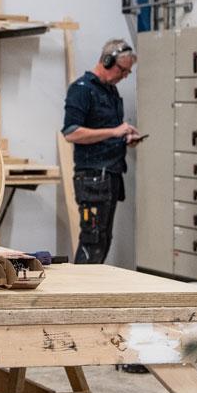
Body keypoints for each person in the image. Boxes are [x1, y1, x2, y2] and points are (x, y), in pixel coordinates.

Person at [62, 39, 140, 265]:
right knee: (92, 241)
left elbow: (106, 132)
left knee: (103, 241)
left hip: (110, 176)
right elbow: (71, 132)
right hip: (92, 179)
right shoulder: (82, 90)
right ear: (107, 61)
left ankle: (90, 295)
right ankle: (77, 296)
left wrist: (124, 138)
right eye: (122, 70)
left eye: (128, 72)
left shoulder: (110, 92)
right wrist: (115, 131)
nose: (124, 75)